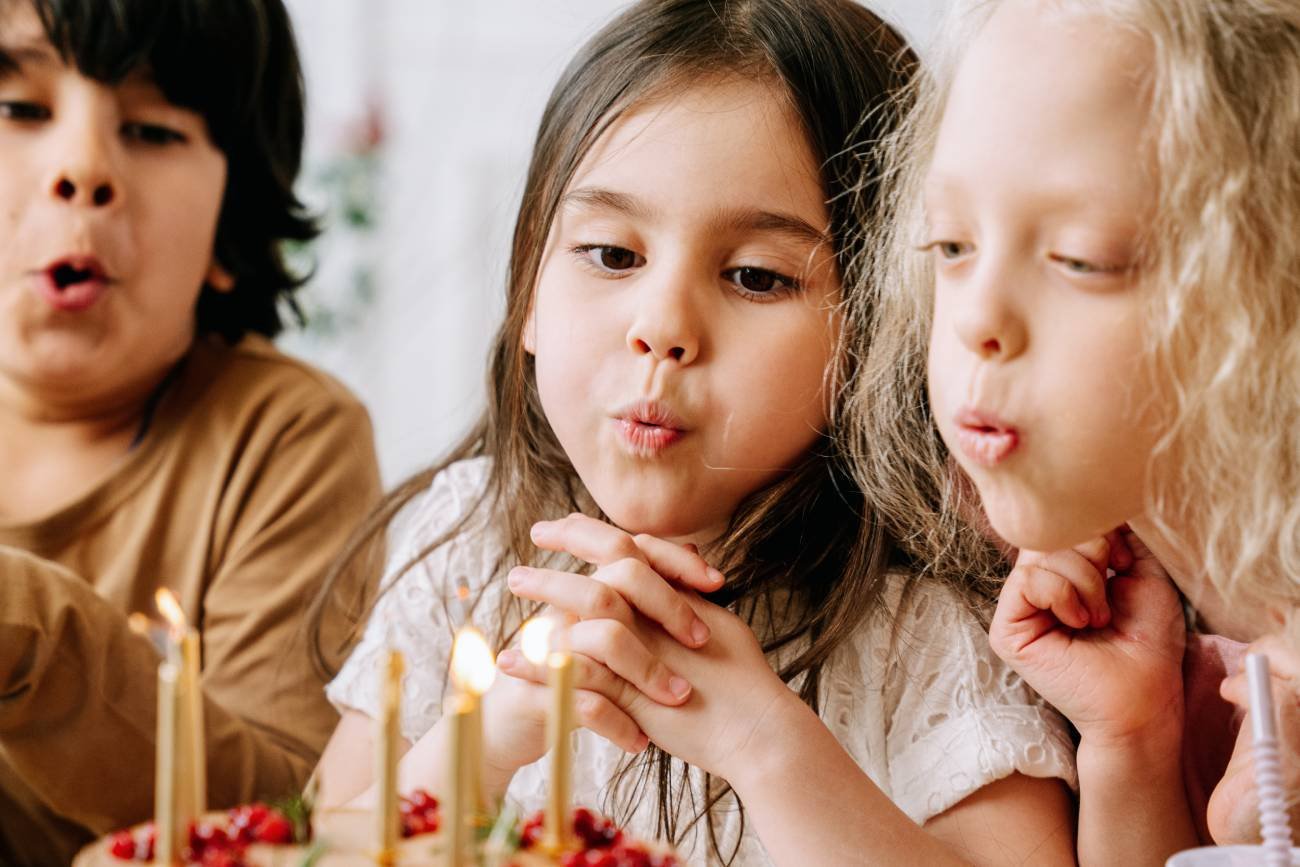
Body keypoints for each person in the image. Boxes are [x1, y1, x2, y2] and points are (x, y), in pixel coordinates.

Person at [314, 1, 1080, 865]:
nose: (663, 326)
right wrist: (485, 740)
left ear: (881, 331)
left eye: (755, 275)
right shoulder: (471, 541)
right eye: (612, 254)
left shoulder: (925, 632)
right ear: (527, 288)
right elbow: (313, 845)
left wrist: (767, 743)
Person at [856, 0, 1300, 862]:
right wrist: (1134, 741)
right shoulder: (1102, 595)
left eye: (1081, 258)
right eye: (951, 245)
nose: (978, 317)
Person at [0, 0, 381, 862]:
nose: (82, 168)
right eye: (18, 110)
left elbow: (286, 821)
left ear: (229, 224)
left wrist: (32, 634)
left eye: (152, 129)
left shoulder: (286, 440)